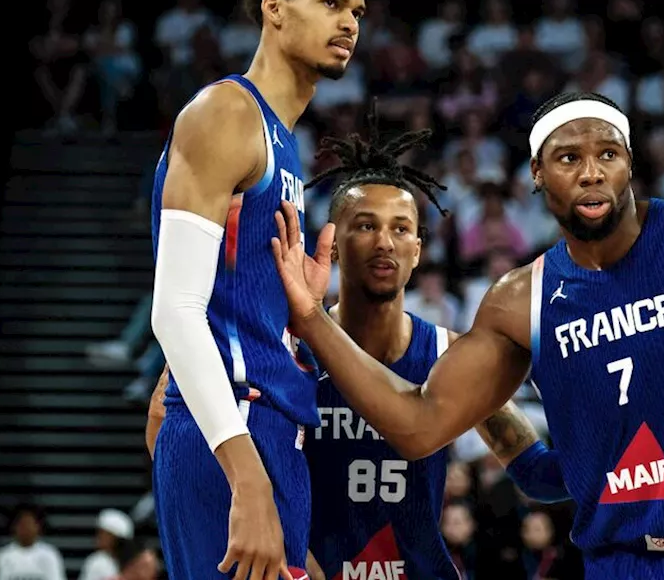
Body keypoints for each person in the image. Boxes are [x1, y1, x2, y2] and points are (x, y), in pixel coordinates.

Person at [271, 91, 664, 579]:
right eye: (570, 158)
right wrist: (311, 318)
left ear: (630, 164)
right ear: (539, 175)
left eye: (608, 154)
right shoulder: (522, 300)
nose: (592, 172)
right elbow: (419, 424)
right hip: (616, 563)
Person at [149, 102, 568, 580]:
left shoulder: (452, 355)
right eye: (365, 226)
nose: (384, 242)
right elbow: (166, 420)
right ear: (331, 242)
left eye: (401, 229)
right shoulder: (280, 344)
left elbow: (538, 474)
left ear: (418, 250)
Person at [149, 0, 367, 580]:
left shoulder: (284, 142)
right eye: (331, 3)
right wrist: (245, 475)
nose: (349, 23)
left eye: (357, 12)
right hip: (236, 433)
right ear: (274, 9)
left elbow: (227, 307)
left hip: (268, 430)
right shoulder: (226, 113)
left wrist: (296, 311)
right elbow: (175, 311)